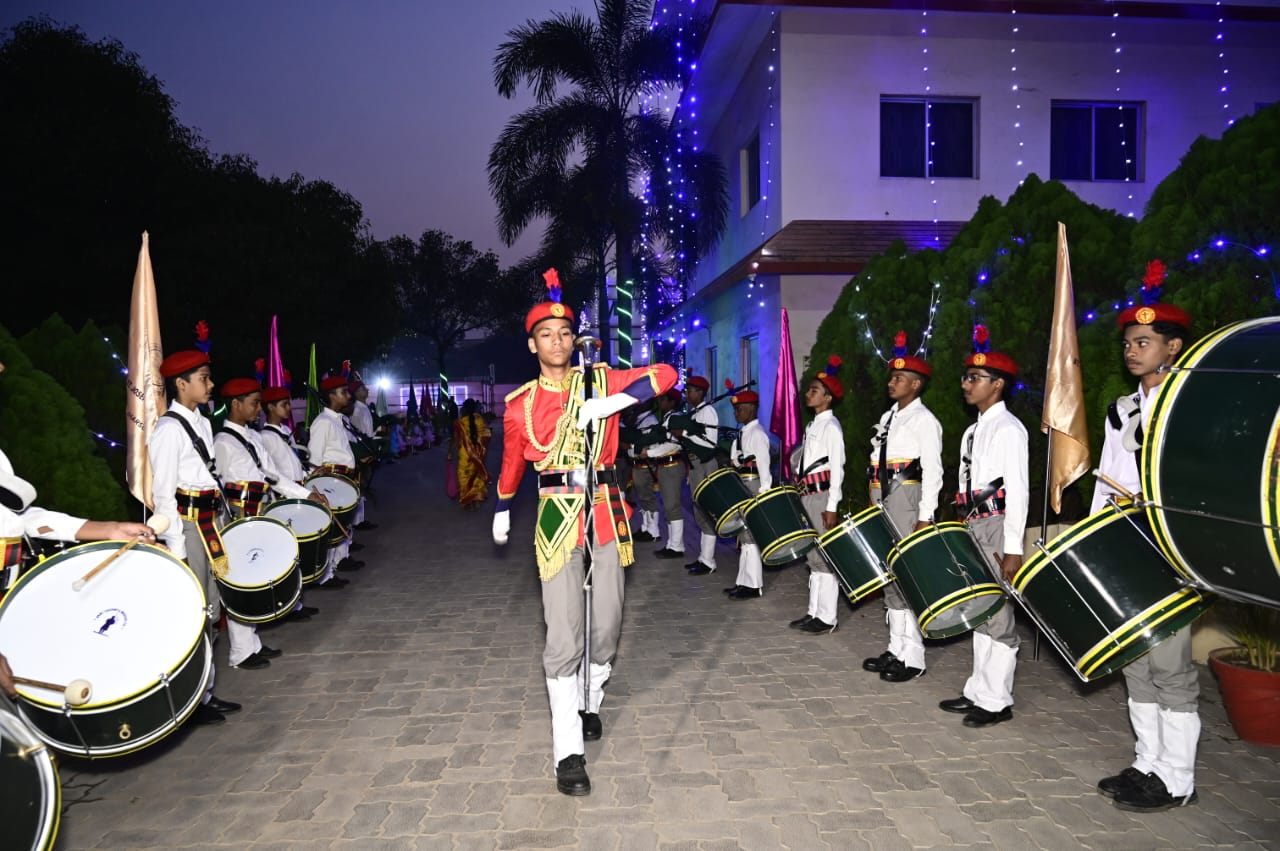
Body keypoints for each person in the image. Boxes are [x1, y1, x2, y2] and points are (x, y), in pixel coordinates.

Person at [492, 271, 677, 796]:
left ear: (574, 339)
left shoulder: (601, 380)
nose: (558, 341)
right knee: (565, 632)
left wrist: (616, 402)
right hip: (556, 516)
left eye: (565, 333)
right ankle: (568, 752)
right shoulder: (518, 405)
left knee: (607, 624)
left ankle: (590, 700)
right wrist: (503, 507)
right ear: (532, 345)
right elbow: (511, 462)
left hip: (606, 509)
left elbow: (665, 374)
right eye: (547, 334)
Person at [1092, 278, 1200, 812]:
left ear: (1173, 347)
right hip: (1128, 544)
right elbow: (1106, 478)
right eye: (1129, 344)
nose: (1132, 352)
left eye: (1144, 343)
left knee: (1170, 665)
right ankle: (1148, 763)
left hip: (1172, 545)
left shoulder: (1191, 405)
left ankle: (1178, 778)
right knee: (1135, 659)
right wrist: (1096, 541)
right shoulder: (1119, 410)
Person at [147, 349, 243, 726]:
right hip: (188, 528)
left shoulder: (201, 420)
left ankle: (206, 692)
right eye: (203, 378)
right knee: (197, 613)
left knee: (213, 608)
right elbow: (164, 495)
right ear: (181, 384)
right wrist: (178, 550)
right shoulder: (168, 430)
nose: (210, 384)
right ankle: (194, 699)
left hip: (209, 524)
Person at [937, 331, 1028, 728]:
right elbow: (966, 482)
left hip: (996, 524)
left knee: (999, 614)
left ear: (998, 384)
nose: (966, 384)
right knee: (978, 608)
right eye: (965, 377)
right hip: (973, 523)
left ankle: (997, 700)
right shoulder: (973, 430)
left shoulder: (1010, 428)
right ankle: (978, 689)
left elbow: (1018, 490)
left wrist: (1013, 546)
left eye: (975, 377)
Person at [213, 378, 323, 664]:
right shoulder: (223, 442)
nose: (258, 408)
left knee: (257, 572)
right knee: (241, 578)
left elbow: (272, 475)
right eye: (253, 403)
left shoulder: (252, 437)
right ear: (235, 404)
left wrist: (304, 493)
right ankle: (240, 652)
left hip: (258, 510)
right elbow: (223, 484)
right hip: (239, 516)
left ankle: (252, 644)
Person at [862, 336, 943, 683]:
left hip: (907, 495)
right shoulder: (889, 416)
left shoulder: (924, 420)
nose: (891, 382)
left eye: (899, 378)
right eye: (891, 378)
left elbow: (935, 471)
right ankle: (896, 647)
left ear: (916, 384)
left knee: (906, 574)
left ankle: (914, 656)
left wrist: (926, 515)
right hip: (883, 493)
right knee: (889, 574)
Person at [790, 356, 846, 635]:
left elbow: (838, 469)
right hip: (807, 495)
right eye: (809, 389)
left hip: (821, 496)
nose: (808, 393)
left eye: (814, 390)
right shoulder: (813, 425)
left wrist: (832, 505)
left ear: (828, 397)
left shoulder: (831, 427)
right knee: (812, 556)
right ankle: (813, 611)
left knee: (824, 557)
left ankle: (827, 617)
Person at [259, 385, 323, 622]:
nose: (288, 408)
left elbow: (295, 462)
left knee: (298, 549)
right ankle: (289, 604)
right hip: (285, 497)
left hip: (297, 491)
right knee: (288, 552)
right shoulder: (266, 437)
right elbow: (274, 473)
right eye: (283, 404)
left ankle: (296, 602)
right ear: (270, 408)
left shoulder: (285, 432)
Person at [308, 375, 362, 587]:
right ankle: (326, 574)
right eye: (343, 392)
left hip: (342, 478)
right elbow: (315, 457)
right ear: (332, 396)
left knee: (343, 522)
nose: (348, 396)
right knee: (330, 526)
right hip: (330, 480)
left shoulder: (337, 420)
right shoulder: (323, 423)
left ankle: (341, 559)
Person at [722, 386, 770, 599]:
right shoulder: (742, 433)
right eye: (735, 409)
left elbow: (764, 465)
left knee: (750, 538)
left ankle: (753, 585)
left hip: (754, 484)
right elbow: (735, 461)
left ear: (751, 408)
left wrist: (764, 492)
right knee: (743, 536)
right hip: (743, 483)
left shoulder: (758, 434)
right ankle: (743, 581)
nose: (736, 413)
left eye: (740, 408)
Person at [672, 376, 721, 575]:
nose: (687, 394)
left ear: (700, 392)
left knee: (706, 511)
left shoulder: (707, 412)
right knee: (699, 511)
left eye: (690, 390)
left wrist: (684, 434)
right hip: (695, 464)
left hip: (705, 463)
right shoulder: (694, 412)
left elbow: (711, 443)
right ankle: (703, 557)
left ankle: (708, 561)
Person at [647, 389, 688, 559]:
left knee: (673, 506)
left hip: (672, 464)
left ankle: (677, 546)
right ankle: (672, 543)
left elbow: (674, 444)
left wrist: (649, 453)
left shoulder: (676, 418)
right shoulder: (667, 418)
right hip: (665, 465)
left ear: (672, 402)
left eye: (664, 400)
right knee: (668, 507)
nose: (660, 403)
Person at [624, 401, 663, 542]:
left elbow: (652, 442)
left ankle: (653, 531)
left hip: (646, 463)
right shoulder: (640, 418)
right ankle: (646, 527)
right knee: (643, 498)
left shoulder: (650, 420)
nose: (638, 404)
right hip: (638, 463)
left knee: (648, 497)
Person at [449, 399, 492, 509]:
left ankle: (467, 500)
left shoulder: (460, 422)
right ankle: (476, 498)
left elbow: (455, 439)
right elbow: (487, 434)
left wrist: (450, 452)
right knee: (476, 475)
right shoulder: (479, 419)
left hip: (464, 453)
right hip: (477, 453)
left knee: (464, 476)